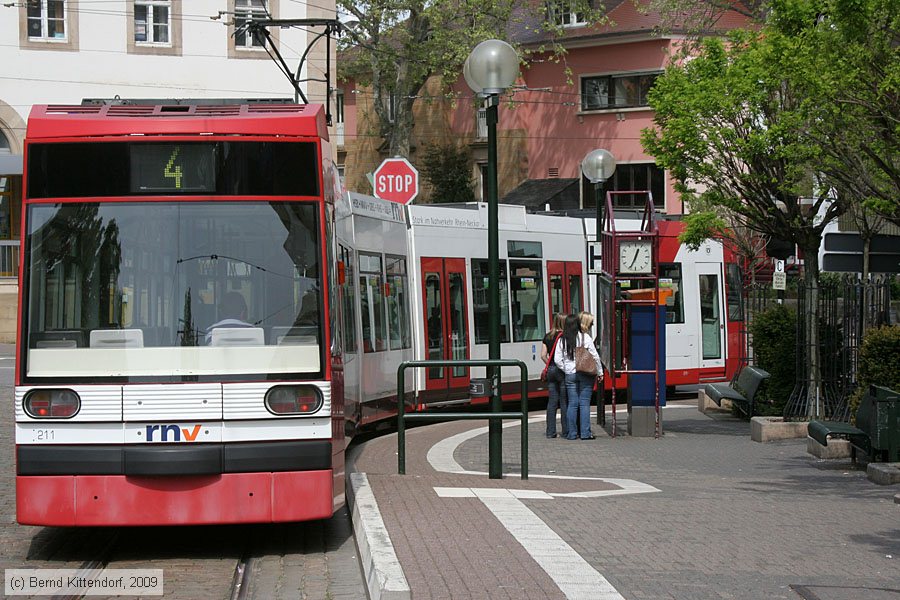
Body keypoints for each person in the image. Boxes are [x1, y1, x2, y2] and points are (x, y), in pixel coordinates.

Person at [554, 312, 603, 440]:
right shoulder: (584, 337)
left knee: (572, 404)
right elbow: (595, 356)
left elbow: (557, 359)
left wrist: (567, 369)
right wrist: (600, 372)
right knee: (584, 404)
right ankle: (585, 433)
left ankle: (572, 433)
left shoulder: (562, 340)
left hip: (570, 374)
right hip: (585, 373)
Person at [541, 313, 568, 438]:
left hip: (551, 370)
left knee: (552, 402)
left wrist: (550, 364)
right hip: (562, 371)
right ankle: (566, 430)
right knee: (564, 402)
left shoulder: (548, 336)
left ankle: (550, 431)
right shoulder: (565, 336)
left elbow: (543, 355)